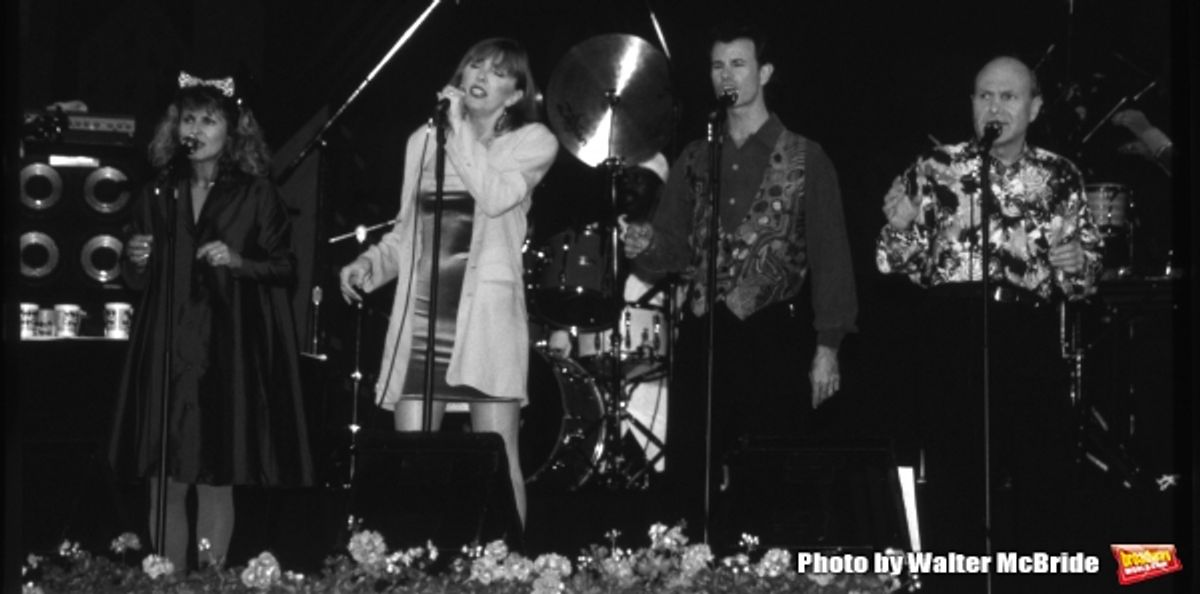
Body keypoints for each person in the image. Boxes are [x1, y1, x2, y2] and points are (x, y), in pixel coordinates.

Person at [623, 23, 857, 540]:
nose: (725, 74)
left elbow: (831, 256)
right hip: (706, 332)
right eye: (717, 65)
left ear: (765, 73)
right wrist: (644, 245)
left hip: (773, 332)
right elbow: (672, 248)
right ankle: (688, 570)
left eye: (738, 64)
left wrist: (828, 346)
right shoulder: (694, 156)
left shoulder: (806, 157)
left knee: (770, 471)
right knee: (691, 467)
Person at [876, 56, 1102, 581]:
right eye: (984, 96)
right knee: (956, 483)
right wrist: (901, 227)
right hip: (952, 330)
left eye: (1008, 97)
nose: (994, 106)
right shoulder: (935, 167)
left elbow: (1085, 277)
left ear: (1035, 107)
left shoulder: (1060, 175)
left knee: (1039, 482)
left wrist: (1078, 265)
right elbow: (893, 262)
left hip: (1026, 332)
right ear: (971, 104)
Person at [338, 38, 558, 526]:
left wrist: (457, 129)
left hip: (486, 320)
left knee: (499, 461)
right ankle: (419, 571)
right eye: (473, 64)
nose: (479, 75)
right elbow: (405, 230)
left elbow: (495, 195)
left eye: (498, 72)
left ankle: (507, 573)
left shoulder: (533, 141)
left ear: (516, 93)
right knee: (413, 462)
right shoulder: (422, 141)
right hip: (424, 321)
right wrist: (370, 265)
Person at [108, 72, 313, 570]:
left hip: (226, 349)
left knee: (215, 474)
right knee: (166, 477)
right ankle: (167, 582)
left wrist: (240, 262)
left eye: (207, 119)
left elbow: (287, 268)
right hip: (167, 348)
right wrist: (134, 258)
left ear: (233, 131)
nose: (193, 128)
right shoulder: (158, 193)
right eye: (187, 118)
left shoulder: (256, 193)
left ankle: (210, 583)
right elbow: (134, 281)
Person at [1112, 108, 1173, 176]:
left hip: (1163, 148)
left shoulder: (1139, 121)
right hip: (1161, 152)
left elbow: (1118, 120)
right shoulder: (1142, 136)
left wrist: (1121, 117)